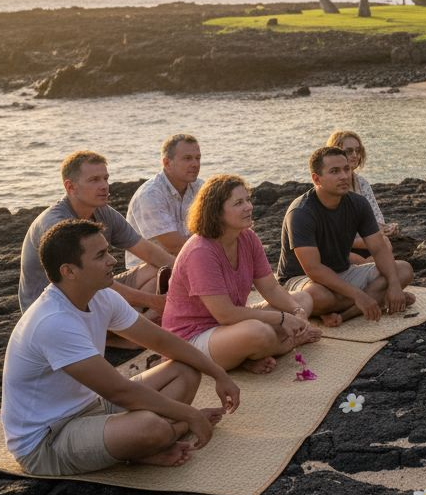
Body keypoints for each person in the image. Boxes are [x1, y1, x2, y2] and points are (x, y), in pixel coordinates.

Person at [2, 219, 239, 475]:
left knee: (186, 368)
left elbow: (162, 341)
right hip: (48, 439)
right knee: (151, 427)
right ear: (69, 271)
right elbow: (120, 392)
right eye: (101, 255)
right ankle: (164, 435)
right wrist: (191, 416)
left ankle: (150, 440)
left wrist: (218, 373)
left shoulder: (101, 295)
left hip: (92, 405)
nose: (113, 261)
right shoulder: (53, 322)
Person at [163, 174, 322, 374]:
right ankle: (288, 343)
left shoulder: (247, 237)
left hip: (232, 325)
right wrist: (282, 319)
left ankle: (248, 357)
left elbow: (271, 288)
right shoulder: (200, 251)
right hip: (194, 336)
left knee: (302, 298)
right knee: (259, 332)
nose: (249, 207)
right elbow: (225, 314)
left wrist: (296, 312)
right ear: (216, 212)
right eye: (238, 203)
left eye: (247, 199)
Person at [19, 151, 176, 321]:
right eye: (94, 180)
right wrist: (154, 302)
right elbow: (88, 281)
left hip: (93, 288)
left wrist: (189, 273)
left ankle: (140, 325)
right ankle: (134, 331)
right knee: (143, 308)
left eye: (105, 178)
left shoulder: (103, 212)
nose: (104, 186)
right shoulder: (58, 225)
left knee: (158, 270)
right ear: (70, 187)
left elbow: (149, 252)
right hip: (56, 308)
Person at [276, 147, 415, 327]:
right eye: (334, 171)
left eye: (346, 169)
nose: (344, 176)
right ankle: (374, 300)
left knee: (403, 269)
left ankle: (344, 315)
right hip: (302, 279)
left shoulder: (358, 204)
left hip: (343, 271)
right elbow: (314, 269)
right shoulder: (301, 212)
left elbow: (379, 248)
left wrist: (395, 285)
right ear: (316, 179)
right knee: (319, 297)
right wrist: (359, 295)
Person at [125, 134, 203, 275]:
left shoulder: (200, 187)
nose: (195, 164)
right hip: (149, 270)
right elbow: (174, 245)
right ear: (167, 163)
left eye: (198, 158)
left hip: (187, 258)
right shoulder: (150, 195)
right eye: (187, 158)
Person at [326, 130, 399, 245]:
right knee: (384, 243)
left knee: (386, 243)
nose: (355, 155)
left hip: (367, 240)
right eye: (349, 151)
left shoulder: (362, 183)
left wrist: (386, 228)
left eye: (358, 150)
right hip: (342, 245)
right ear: (335, 154)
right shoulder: (331, 185)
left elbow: (376, 216)